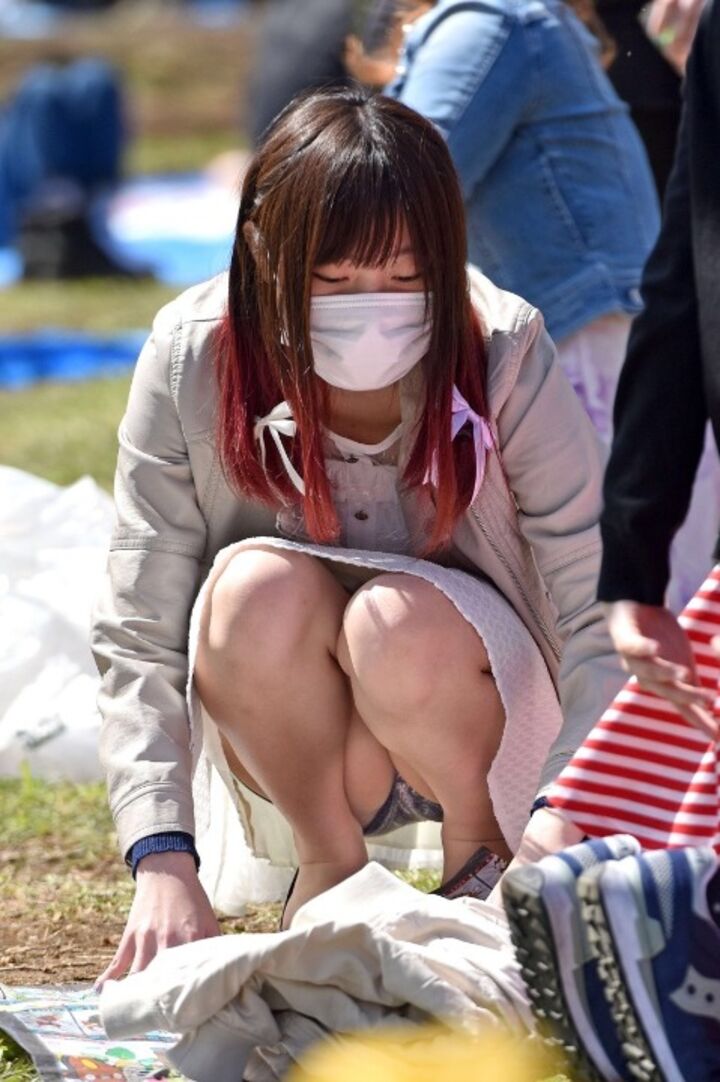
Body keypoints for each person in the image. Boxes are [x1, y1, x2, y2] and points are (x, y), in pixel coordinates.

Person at [91, 85, 624, 986]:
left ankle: (480, 861)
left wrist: (558, 817)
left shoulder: (503, 348)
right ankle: (328, 868)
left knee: (393, 619)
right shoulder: (193, 353)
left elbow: (597, 607)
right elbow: (138, 621)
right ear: (262, 250)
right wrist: (162, 858)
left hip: (484, 718)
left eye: (408, 278)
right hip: (305, 734)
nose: (371, 308)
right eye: (334, 281)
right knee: (249, 588)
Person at [382, 0, 660, 447]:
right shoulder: (509, 18)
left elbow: (390, 198)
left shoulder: (494, 20)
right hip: (584, 339)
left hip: (572, 344)